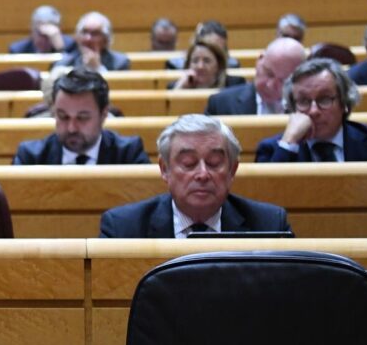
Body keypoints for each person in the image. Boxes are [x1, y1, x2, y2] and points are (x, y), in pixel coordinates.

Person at [99, 115, 291, 238]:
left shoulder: (270, 224)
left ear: (232, 170)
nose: (202, 174)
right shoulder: (123, 228)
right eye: (189, 164)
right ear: (165, 169)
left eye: (214, 162)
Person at [255, 58, 367, 162]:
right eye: (303, 101)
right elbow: (264, 204)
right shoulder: (272, 150)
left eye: (324, 99)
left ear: (344, 102)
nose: (314, 111)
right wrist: (289, 142)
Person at [13, 69, 148, 165]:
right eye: (63, 117)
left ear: (104, 114)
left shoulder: (129, 154)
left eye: (82, 118)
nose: (72, 128)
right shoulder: (30, 157)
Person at [205, 37, 305, 115]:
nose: (270, 85)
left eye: (283, 80)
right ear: (259, 60)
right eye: (269, 73)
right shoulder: (221, 103)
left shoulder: (308, 109)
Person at [51, 11, 130, 73]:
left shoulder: (119, 63)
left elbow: (118, 89)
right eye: (84, 32)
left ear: (106, 40)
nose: (88, 38)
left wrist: (97, 68)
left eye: (94, 33)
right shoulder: (63, 63)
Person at [169, 40, 244, 90]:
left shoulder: (234, 85)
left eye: (207, 61)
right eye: (195, 61)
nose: (200, 66)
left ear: (219, 65)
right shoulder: (174, 86)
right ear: (188, 65)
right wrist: (180, 88)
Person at [8, 5, 75, 54]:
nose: (43, 40)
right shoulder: (18, 50)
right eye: (40, 34)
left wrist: (60, 49)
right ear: (31, 30)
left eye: (49, 36)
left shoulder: (70, 46)